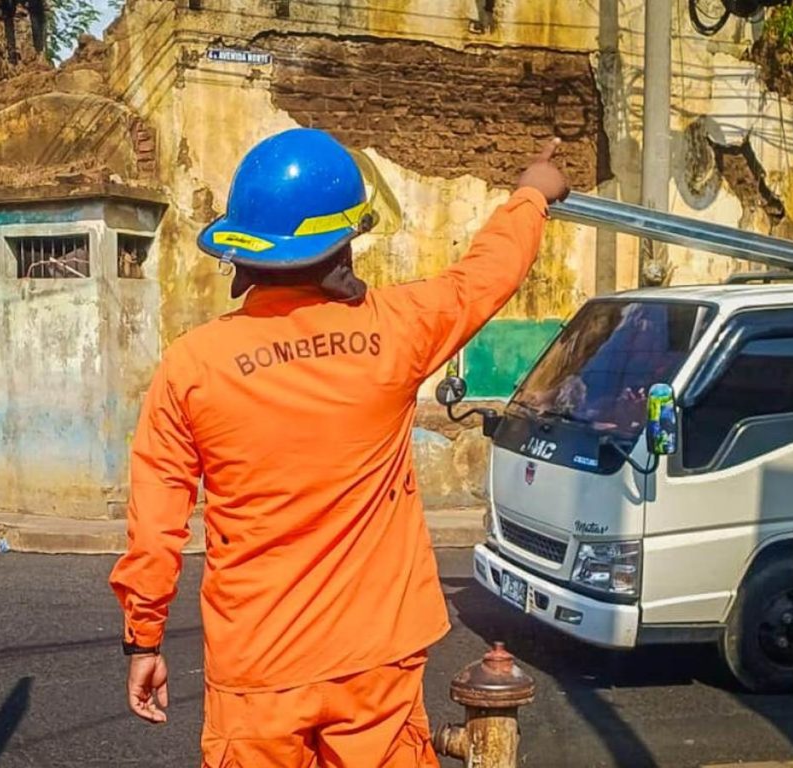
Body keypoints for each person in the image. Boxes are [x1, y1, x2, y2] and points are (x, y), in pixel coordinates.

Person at [108, 128, 569, 766]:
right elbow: (483, 277)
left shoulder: (192, 366)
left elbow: (155, 523)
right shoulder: (394, 331)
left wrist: (144, 639)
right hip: (376, 661)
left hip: (258, 670)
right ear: (342, 246)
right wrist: (531, 195)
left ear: (243, 254)